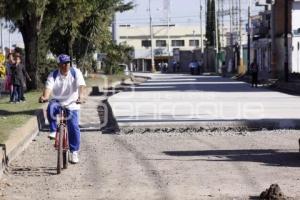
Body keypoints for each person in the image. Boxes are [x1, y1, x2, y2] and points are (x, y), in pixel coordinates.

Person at [39, 54, 86, 164]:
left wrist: (81, 97)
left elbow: (81, 86)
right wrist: (45, 97)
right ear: (58, 65)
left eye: (68, 63)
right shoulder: (53, 75)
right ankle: (53, 131)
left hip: (72, 103)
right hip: (58, 102)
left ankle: (74, 152)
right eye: (63, 63)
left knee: (74, 126)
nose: (66, 65)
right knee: (51, 107)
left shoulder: (75, 72)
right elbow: (48, 88)